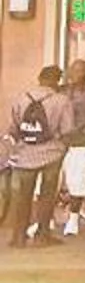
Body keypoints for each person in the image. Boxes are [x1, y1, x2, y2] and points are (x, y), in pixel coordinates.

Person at [1, 64, 72, 246]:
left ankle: (19, 236)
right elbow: (67, 130)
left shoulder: (22, 98)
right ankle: (42, 235)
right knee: (47, 195)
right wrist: (63, 148)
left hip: (25, 154)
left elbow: (14, 128)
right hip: (51, 154)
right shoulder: (62, 100)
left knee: (23, 196)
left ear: (39, 78)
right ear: (57, 81)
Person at [52, 62, 85, 238]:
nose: (76, 74)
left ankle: (73, 219)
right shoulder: (59, 91)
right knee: (47, 182)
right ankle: (44, 220)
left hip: (81, 143)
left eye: (80, 70)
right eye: (73, 70)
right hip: (57, 142)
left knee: (78, 182)